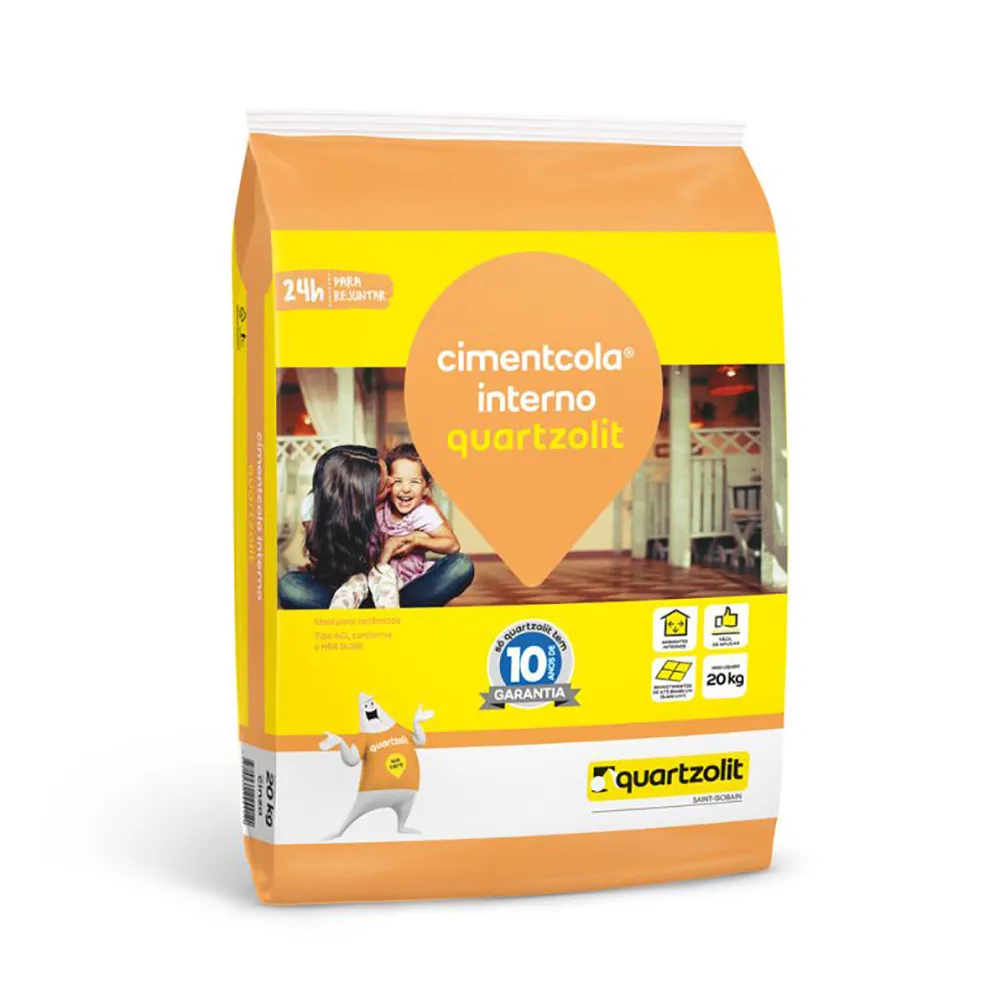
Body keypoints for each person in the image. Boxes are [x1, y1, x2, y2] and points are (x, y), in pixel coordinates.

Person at [277, 443, 474, 610]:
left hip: (399, 590)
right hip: (347, 590)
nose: (394, 484)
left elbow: (448, 541)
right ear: (364, 496)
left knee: (460, 566)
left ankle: (389, 612)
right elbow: (323, 563)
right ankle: (362, 614)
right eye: (386, 484)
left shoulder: (407, 502)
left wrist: (415, 535)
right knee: (290, 586)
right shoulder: (315, 507)